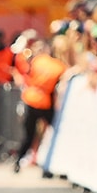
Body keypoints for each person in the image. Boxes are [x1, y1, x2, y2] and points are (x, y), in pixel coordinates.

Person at [12, 38, 67, 173]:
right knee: (53, 133)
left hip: (31, 99)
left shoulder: (38, 60)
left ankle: (18, 160)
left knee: (29, 135)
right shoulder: (59, 66)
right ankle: (48, 164)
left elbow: (28, 73)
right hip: (44, 102)